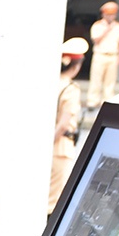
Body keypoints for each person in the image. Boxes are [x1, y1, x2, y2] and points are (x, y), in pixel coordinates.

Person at [50, 37, 87, 212]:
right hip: (60, 146)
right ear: (77, 65)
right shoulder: (70, 89)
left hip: (51, 144)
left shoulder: (51, 83)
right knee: (53, 201)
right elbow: (64, 124)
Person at [86, 0, 119, 108]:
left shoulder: (118, 26)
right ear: (103, 14)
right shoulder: (97, 25)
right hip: (100, 55)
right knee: (96, 80)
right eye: (108, 14)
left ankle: (107, 103)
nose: (111, 16)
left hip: (113, 55)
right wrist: (106, 30)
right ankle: (92, 102)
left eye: (113, 14)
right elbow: (95, 40)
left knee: (110, 81)